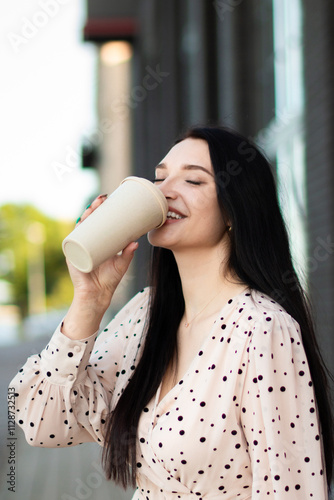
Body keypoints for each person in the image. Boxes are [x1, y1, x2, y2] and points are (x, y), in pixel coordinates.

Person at [10, 126, 333, 499]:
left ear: (234, 210)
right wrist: (89, 300)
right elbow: (42, 422)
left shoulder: (262, 328)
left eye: (193, 181)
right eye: (160, 178)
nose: (164, 191)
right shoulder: (144, 316)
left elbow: (292, 490)